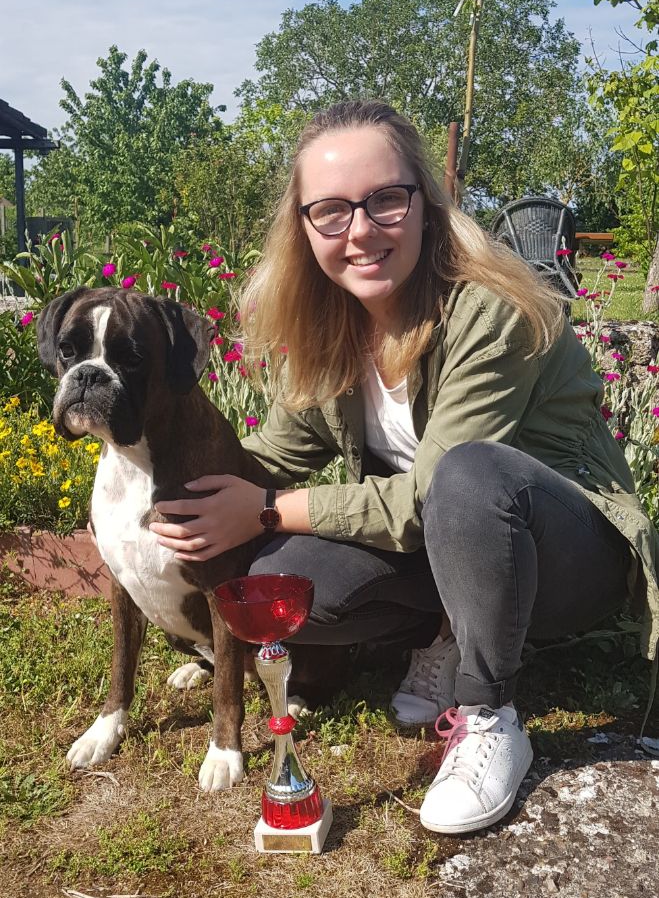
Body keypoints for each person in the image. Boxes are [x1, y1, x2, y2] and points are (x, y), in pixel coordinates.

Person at [149, 100, 659, 835]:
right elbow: (267, 460)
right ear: (302, 226)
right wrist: (164, 490)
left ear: (425, 202)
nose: (359, 230)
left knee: (469, 477)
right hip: (444, 542)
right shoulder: (330, 329)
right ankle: (440, 628)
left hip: (563, 557)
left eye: (384, 199)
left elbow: (429, 496)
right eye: (329, 211)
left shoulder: (489, 311)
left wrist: (264, 508)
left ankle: (488, 715)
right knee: (277, 576)